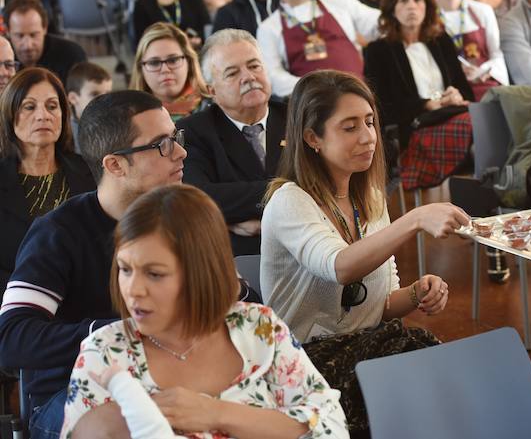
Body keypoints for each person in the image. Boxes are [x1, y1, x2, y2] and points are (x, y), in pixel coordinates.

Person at [261, 69, 467, 434]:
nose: (368, 137)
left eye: (370, 122)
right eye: (350, 126)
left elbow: (380, 306)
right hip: (305, 362)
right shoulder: (289, 200)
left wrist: (418, 292)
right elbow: (339, 268)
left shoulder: (369, 198)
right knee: (417, 386)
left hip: (367, 351)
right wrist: (415, 219)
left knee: (439, 382)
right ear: (313, 138)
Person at [60, 184, 346, 439]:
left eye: (155, 274)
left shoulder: (260, 329)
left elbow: (330, 426)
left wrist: (215, 413)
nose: (133, 289)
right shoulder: (105, 354)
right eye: (124, 269)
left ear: (201, 273)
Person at [0, 90, 185, 439]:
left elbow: (241, 300)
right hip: (71, 395)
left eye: (176, 138)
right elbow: (11, 337)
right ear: (114, 164)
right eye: (161, 144)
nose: (180, 152)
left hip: (170, 382)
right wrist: (120, 333)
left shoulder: (182, 217)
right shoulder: (58, 232)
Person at [178, 29, 286, 256]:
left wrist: (230, 213)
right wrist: (290, 189)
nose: (248, 77)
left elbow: (324, 181)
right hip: (235, 256)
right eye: (232, 73)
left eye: (254, 66)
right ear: (211, 91)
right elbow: (198, 197)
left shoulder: (296, 116)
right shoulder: (193, 132)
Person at [364, 0, 474, 189]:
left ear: (427, 6)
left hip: (453, 116)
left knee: (488, 116)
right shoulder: (379, 51)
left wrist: (457, 96)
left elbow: (467, 93)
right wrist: (424, 104)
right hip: (416, 127)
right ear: (392, 8)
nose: (411, 6)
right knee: (478, 127)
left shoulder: (441, 42)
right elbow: (381, 108)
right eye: (404, 0)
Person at [0, 68, 95, 297]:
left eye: (52, 106)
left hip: (84, 304)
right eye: (30, 107)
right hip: (14, 308)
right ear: (11, 115)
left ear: (63, 113)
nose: (43, 115)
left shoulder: (90, 171)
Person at [256, 0, 380, 98]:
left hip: (359, 96)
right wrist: (318, 88)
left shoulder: (339, 2)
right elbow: (272, 75)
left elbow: (376, 23)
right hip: (313, 106)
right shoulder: (269, 28)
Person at [421, 0, 508, 100]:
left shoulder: (482, 11)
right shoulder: (427, 18)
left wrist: (482, 70)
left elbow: (496, 54)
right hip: (450, 91)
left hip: (485, 84)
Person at [130, 22, 209, 121]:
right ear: (140, 69)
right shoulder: (128, 119)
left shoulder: (218, 106)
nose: (165, 70)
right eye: (154, 63)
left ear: (189, 62)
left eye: (173, 60)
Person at [6, 0, 86, 85]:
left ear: (45, 28)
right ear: (8, 32)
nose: (28, 45)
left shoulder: (72, 55)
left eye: (33, 35)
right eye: (19, 36)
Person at [65, 61, 112, 154]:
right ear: (73, 98)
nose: (103, 100)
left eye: (107, 94)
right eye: (94, 94)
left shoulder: (113, 126)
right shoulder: (65, 134)